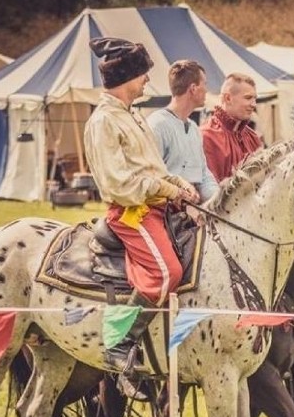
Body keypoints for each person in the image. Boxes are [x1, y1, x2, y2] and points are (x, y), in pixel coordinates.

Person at [83, 37, 199, 375]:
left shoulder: (131, 116)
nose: (147, 80)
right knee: (167, 273)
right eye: (142, 74)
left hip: (158, 207)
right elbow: (119, 185)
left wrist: (178, 184)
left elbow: (154, 171)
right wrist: (167, 188)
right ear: (125, 77)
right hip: (133, 214)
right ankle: (118, 344)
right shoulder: (104, 121)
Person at [147, 60, 219, 204]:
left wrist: (220, 201)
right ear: (193, 88)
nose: (206, 90)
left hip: (195, 209)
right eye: (204, 84)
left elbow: (203, 175)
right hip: (164, 211)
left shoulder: (193, 128)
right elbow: (150, 175)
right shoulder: (157, 125)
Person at [200, 72, 262, 182]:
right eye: (248, 98)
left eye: (254, 99)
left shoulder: (253, 137)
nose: (253, 104)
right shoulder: (207, 136)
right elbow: (209, 190)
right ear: (228, 98)